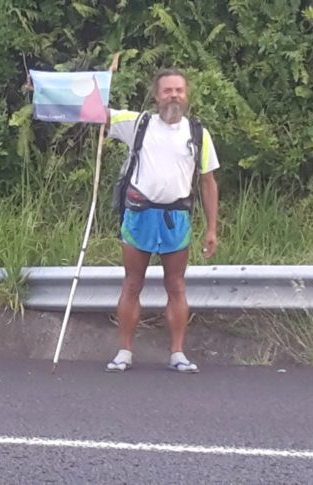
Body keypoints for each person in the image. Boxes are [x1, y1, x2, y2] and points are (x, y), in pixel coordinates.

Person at [105, 68, 220, 373]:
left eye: (179, 90)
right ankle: (124, 353)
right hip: (139, 214)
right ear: (156, 95)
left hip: (176, 218)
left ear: (186, 95)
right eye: (167, 90)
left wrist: (211, 229)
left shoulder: (198, 133)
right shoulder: (137, 124)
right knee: (132, 284)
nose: (174, 96)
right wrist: (45, 91)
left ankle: (178, 353)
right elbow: (97, 114)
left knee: (176, 286)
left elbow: (208, 182)